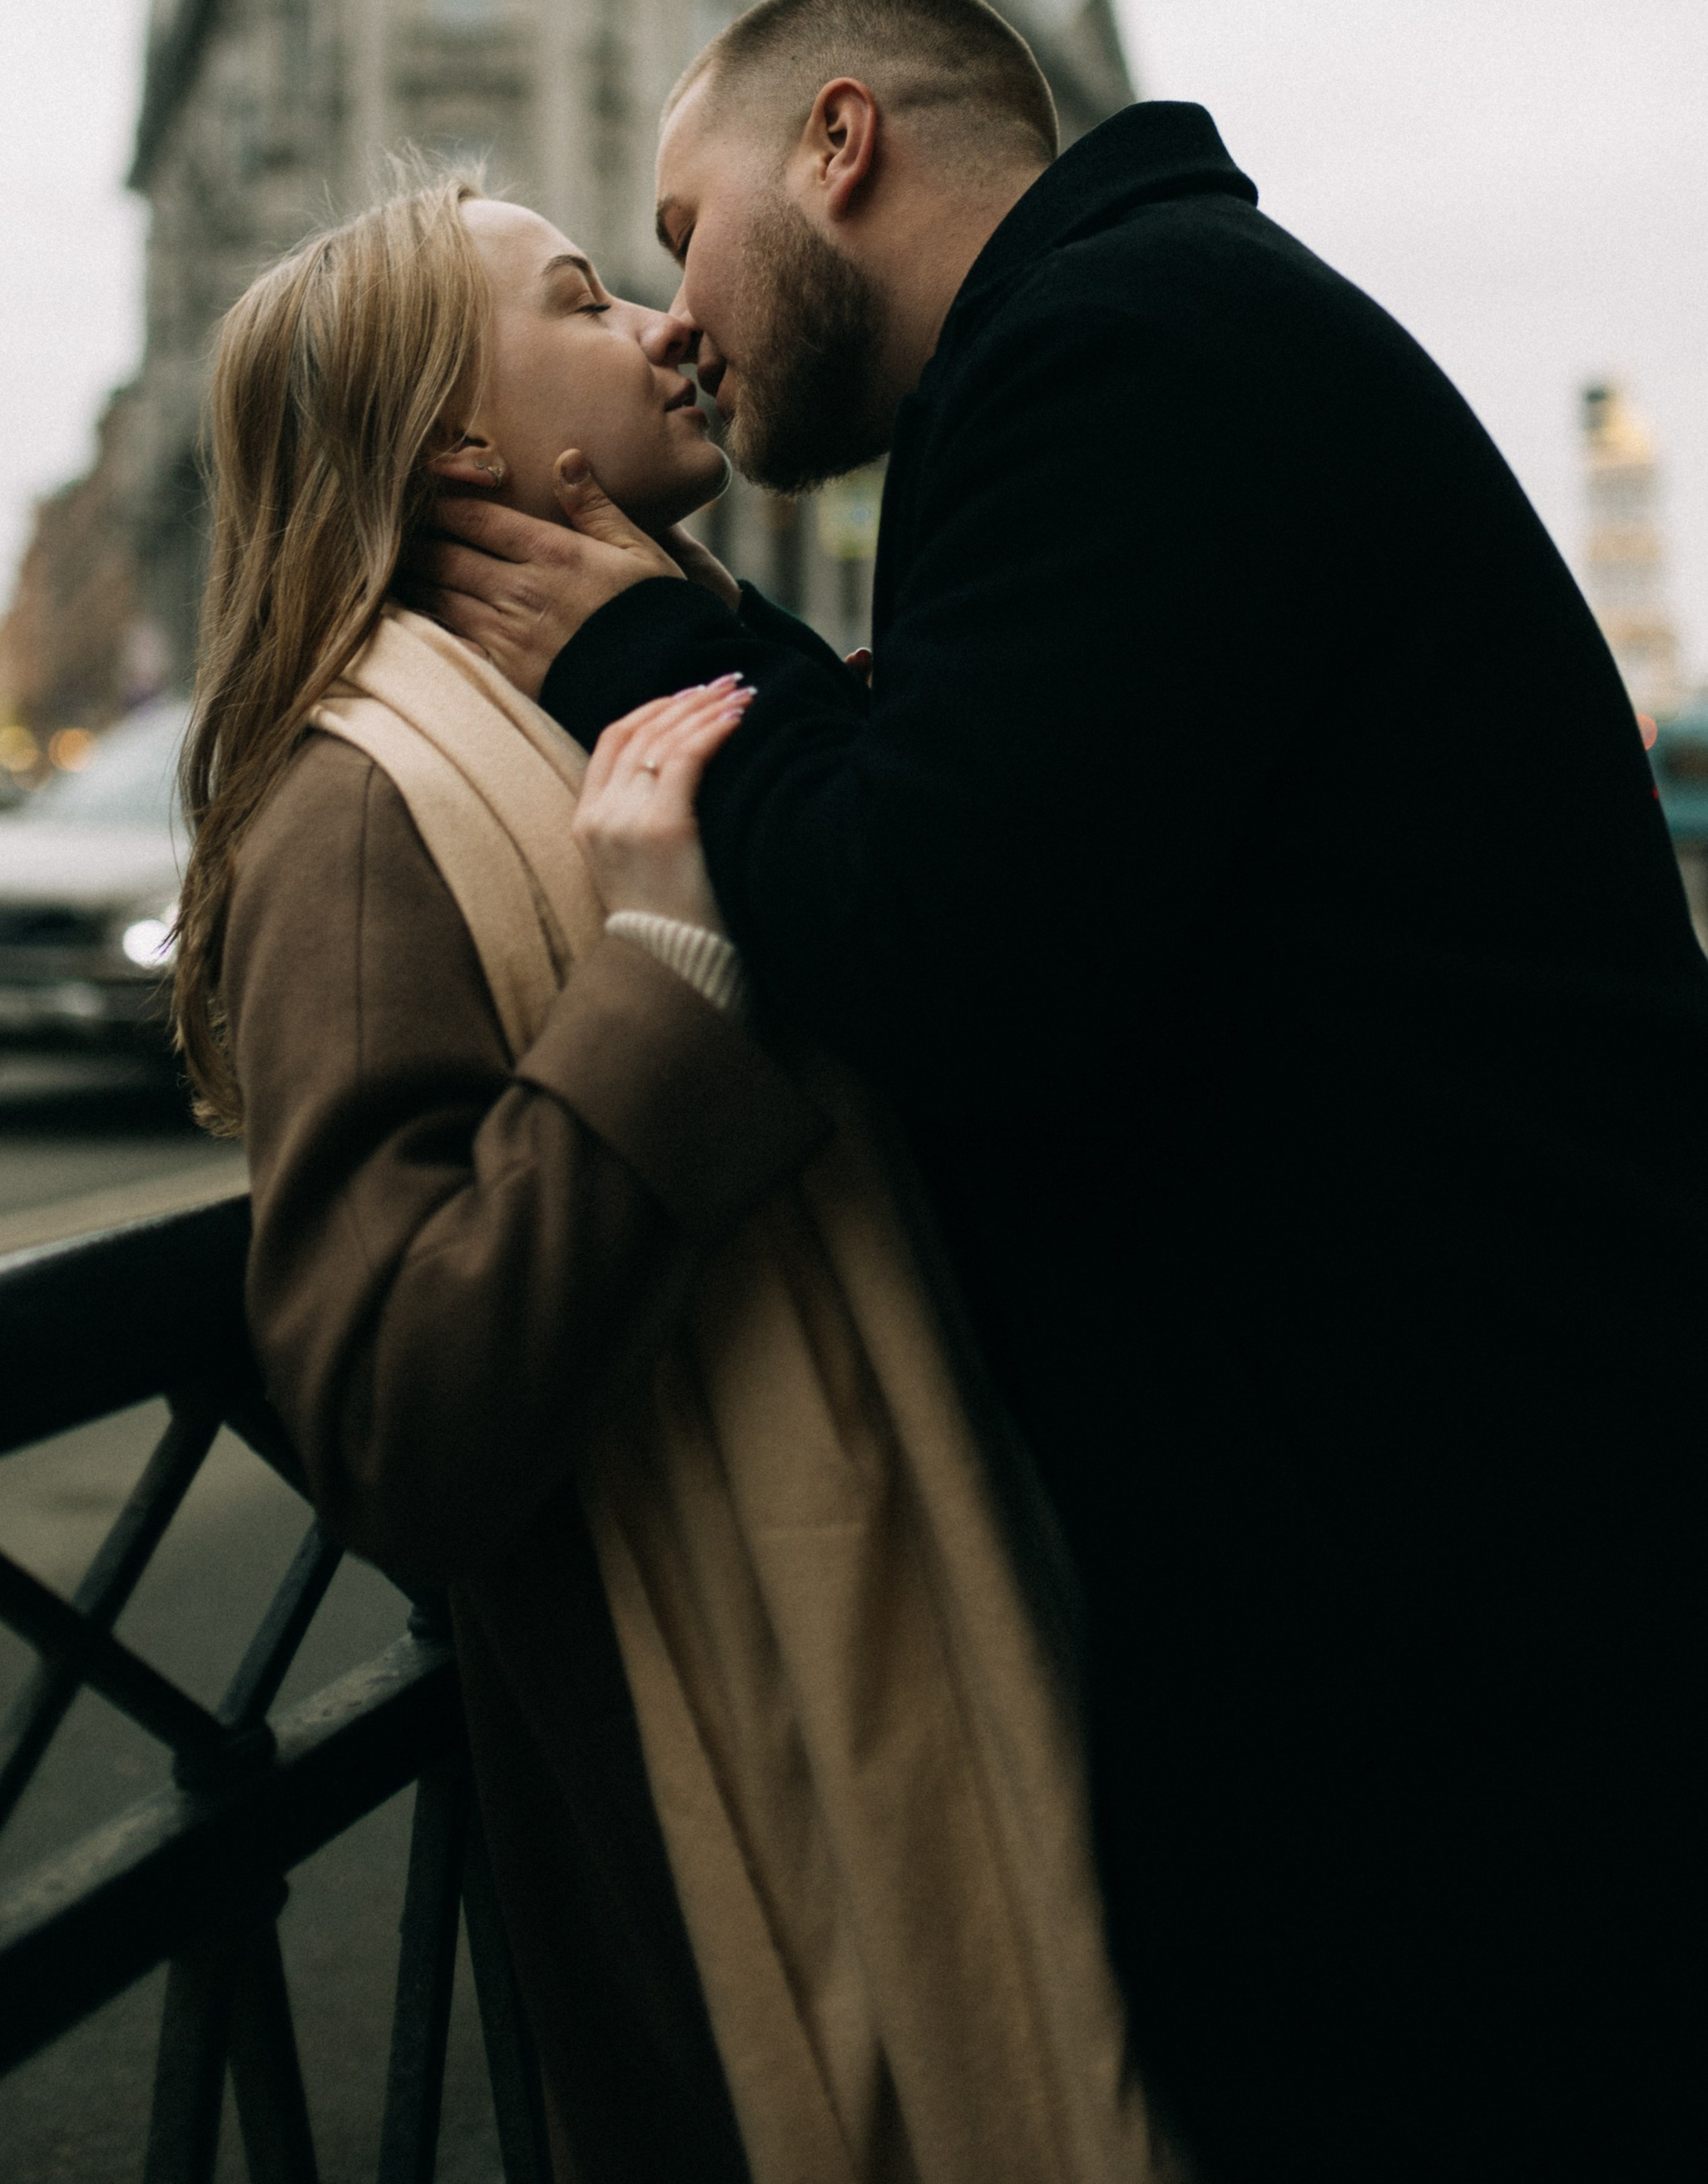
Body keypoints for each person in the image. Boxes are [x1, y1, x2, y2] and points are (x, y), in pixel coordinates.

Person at [418, 0, 1708, 2184]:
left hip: (1450, 1646)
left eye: (677, 231)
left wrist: (642, 643)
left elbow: (942, 951)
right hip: (1465, 1573)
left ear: (840, 147)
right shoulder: (1152, 323)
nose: (676, 318)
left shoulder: (1119, 354)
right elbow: (1011, 837)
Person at [176, 176, 1174, 2184]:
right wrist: (667, 974)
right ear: (469, 443)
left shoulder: (688, 676)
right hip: (748, 1804)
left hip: (985, 1641)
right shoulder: (359, 805)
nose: (665, 323)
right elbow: (391, 1415)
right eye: (582, 298)